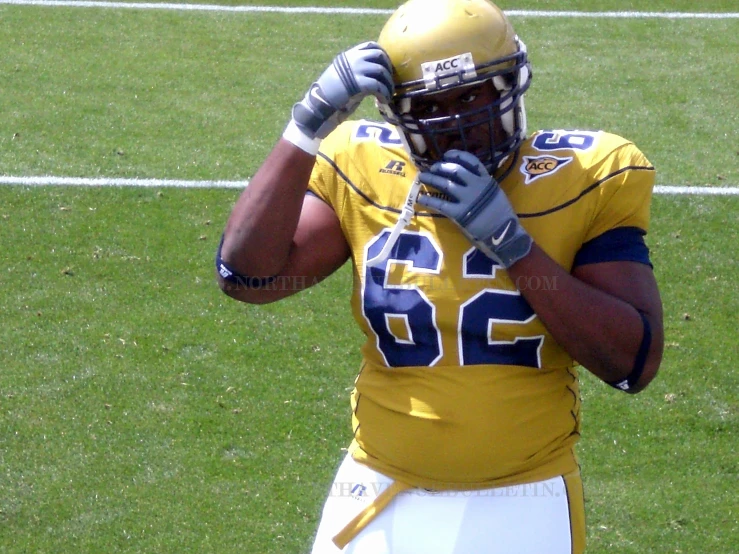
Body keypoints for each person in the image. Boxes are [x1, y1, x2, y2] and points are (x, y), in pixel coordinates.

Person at [216, 0, 664, 552]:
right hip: (378, 486)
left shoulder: (585, 174)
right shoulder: (363, 167)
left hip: (522, 497)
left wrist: (514, 248)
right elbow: (246, 277)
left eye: (471, 94)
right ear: (396, 111)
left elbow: (632, 362)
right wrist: (304, 127)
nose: (456, 123)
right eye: (431, 105)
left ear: (509, 85)